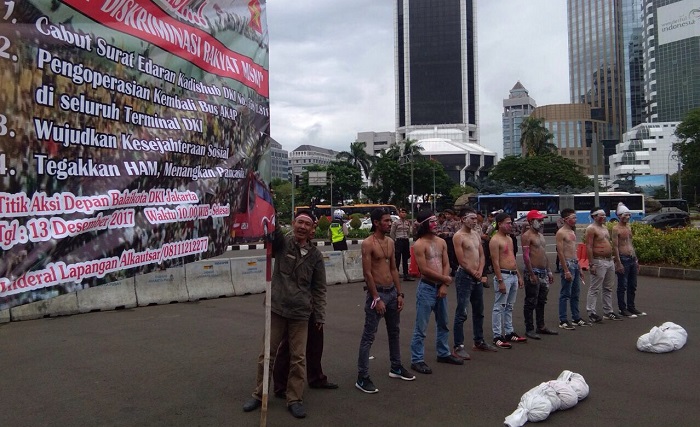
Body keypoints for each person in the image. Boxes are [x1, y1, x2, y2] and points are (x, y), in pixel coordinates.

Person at [243, 209, 327, 419]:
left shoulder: (316, 256)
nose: (302, 227)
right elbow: (273, 231)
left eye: (307, 224)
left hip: (301, 313)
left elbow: (319, 288)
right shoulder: (282, 245)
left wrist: (319, 315)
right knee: (266, 355)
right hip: (277, 308)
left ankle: (294, 398)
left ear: (312, 229)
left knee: (298, 358)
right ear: (293, 223)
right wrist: (269, 206)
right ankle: (259, 394)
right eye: (299, 222)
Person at [356, 208, 415, 394]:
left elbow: (394, 269)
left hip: (391, 293)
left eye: (390, 221)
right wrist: (376, 298)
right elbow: (367, 273)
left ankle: (396, 367)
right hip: (378, 294)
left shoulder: (390, 242)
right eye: (386, 221)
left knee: (394, 332)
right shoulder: (367, 244)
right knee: (369, 336)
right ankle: (362, 377)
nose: (389, 223)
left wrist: (400, 294)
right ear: (376, 222)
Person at [409, 209, 463, 374]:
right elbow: (424, 269)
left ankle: (443, 353)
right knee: (421, 327)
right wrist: (444, 280)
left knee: (443, 323)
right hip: (426, 288)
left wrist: (444, 285)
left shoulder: (441, 242)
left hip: (440, 288)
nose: (435, 224)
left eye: (435, 221)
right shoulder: (419, 244)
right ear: (425, 225)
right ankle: (417, 360)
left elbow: (446, 263)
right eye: (431, 222)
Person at [452, 208, 498, 359]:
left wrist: (480, 271)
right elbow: (461, 260)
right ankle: (458, 346)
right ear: (463, 219)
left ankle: (479, 341)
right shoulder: (458, 236)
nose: (474, 220)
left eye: (475, 218)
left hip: (476, 276)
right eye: (471, 218)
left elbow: (482, 255)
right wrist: (474, 272)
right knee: (462, 311)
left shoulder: (476, 234)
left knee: (479, 310)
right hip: (464, 276)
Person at [489, 212, 527, 349]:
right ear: (499, 224)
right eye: (508, 223)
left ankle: (509, 332)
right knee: (499, 306)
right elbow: (495, 262)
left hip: (512, 275)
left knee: (510, 306)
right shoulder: (495, 240)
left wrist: (518, 275)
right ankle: (497, 336)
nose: (510, 225)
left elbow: (512, 258)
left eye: (511, 222)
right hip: (503, 275)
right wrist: (500, 280)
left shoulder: (509, 239)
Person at [520, 210, 559, 340]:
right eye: (539, 220)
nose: (541, 223)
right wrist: (531, 273)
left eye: (542, 220)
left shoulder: (541, 236)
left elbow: (544, 254)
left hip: (543, 272)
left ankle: (541, 326)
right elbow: (526, 256)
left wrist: (548, 271)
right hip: (533, 271)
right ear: (531, 221)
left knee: (542, 300)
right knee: (531, 301)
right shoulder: (527, 236)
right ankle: (529, 328)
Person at [584, 207, 623, 323]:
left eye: (604, 215)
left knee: (608, 287)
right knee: (595, 288)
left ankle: (608, 311)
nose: (603, 217)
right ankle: (591, 312)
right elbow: (589, 246)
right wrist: (591, 263)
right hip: (598, 260)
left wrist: (614, 259)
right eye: (600, 215)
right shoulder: (591, 229)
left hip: (608, 260)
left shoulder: (605, 228)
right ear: (594, 217)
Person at [556, 208, 592, 330]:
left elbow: (574, 250)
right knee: (565, 293)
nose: (575, 220)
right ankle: (563, 319)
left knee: (576, 292)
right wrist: (566, 270)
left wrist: (579, 267)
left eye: (575, 217)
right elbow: (560, 252)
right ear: (566, 219)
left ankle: (576, 317)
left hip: (574, 264)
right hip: (567, 264)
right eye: (573, 217)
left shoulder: (572, 231)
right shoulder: (561, 233)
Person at [612, 202, 647, 318]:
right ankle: (623, 308)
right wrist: (618, 262)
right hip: (623, 258)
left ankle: (631, 307)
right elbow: (615, 246)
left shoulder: (628, 227)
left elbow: (630, 243)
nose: (627, 217)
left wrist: (636, 259)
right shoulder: (616, 228)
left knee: (633, 285)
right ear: (619, 216)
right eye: (625, 215)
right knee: (622, 285)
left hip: (631, 258)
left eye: (628, 215)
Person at [390, 207, 414, 281]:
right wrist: (394, 241)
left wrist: (407, 238)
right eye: (402, 212)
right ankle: (395, 275)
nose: (403, 214)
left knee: (405, 258)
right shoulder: (395, 223)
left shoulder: (407, 223)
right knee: (397, 258)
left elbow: (408, 233)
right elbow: (392, 233)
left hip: (405, 241)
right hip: (398, 241)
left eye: (405, 212)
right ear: (399, 214)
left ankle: (406, 275)